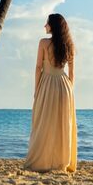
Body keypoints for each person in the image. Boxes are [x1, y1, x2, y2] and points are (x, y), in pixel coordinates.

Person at [23, 13, 77, 172]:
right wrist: (70, 91)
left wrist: (36, 89)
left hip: (47, 83)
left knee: (43, 122)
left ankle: (41, 162)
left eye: (47, 23)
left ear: (53, 26)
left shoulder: (43, 43)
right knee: (62, 125)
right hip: (64, 85)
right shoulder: (69, 46)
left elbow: (38, 67)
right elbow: (72, 73)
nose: (44, 26)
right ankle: (61, 162)